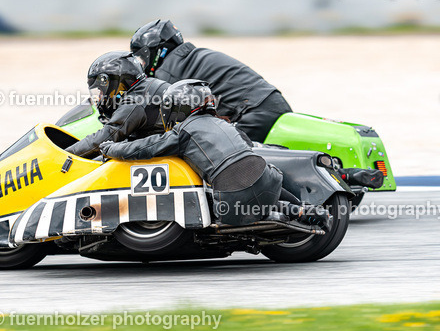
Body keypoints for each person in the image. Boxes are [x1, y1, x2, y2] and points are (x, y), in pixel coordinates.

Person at [100, 80, 302, 227]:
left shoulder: (184, 131)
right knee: (263, 192)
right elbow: (248, 146)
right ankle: (302, 210)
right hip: (267, 176)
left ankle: (274, 216)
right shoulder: (224, 123)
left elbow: (144, 148)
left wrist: (110, 148)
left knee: (213, 216)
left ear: (178, 106)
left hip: (233, 191)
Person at [129, 19, 292, 143]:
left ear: (154, 50)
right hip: (271, 103)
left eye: (141, 57)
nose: (141, 64)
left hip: (253, 113)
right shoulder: (193, 57)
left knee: (216, 159)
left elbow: (152, 117)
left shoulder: (167, 72)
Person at [64, 51, 170, 157]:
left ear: (115, 83)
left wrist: (64, 154)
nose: (100, 96)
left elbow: (108, 134)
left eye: (101, 91)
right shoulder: (148, 86)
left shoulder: (136, 100)